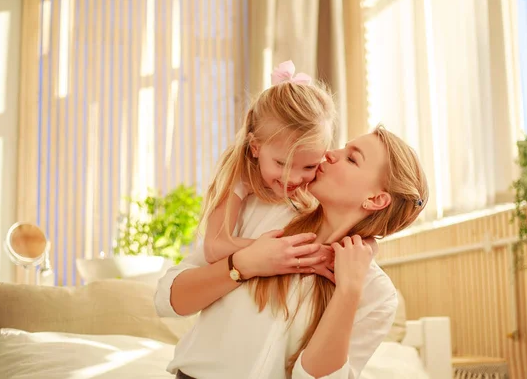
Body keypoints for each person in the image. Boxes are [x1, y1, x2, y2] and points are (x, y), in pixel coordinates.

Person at [155, 125, 429, 379]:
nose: (330, 154)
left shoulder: (377, 295)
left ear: (376, 199)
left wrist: (348, 291)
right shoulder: (263, 210)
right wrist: (244, 264)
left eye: (352, 158)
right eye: (342, 148)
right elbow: (169, 301)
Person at [201, 60, 336, 267]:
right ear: (255, 147)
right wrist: (278, 250)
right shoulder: (240, 175)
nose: (293, 178)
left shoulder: (322, 178)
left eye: (309, 166)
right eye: (282, 163)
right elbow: (214, 247)